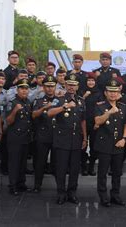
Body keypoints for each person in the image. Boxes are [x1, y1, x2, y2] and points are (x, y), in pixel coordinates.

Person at [47, 73, 87, 205]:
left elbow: (83, 121)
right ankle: (61, 193)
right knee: (61, 168)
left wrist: (85, 138)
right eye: (69, 84)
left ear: (77, 86)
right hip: (62, 139)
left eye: (74, 85)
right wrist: (65, 106)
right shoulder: (58, 99)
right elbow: (49, 113)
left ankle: (72, 193)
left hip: (76, 139)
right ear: (65, 85)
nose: (71, 87)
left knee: (75, 169)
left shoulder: (81, 100)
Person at [93, 79, 126, 207]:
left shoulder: (123, 107)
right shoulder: (100, 106)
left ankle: (115, 195)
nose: (113, 94)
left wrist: (124, 139)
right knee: (102, 173)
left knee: (117, 172)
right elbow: (97, 121)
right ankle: (103, 196)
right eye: (110, 91)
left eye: (115, 91)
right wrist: (109, 112)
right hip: (104, 145)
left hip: (118, 144)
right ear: (105, 92)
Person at [5, 78, 33, 195]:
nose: (24, 91)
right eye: (22, 88)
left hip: (25, 137)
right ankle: (13, 185)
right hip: (15, 138)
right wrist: (15, 111)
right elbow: (8, 121)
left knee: (22, 163)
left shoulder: (28, 102)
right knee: (14, 163)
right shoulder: (12, 103)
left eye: (26, 88)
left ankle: (21, 183)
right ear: (17, 90)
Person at [31, 75, 58, 192]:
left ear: (55, 87)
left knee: (58, 163)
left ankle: (60, 187)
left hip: (57, 135)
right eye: (47, 86)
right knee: (40, 162)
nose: (50, 89)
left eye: (52, 86)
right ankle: (37, 186)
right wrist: (44, 108)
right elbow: (34, 115)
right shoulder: (39, 101)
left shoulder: (61, 100)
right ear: (43, 87)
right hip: (43, 135)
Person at [81, 72, 103, 176]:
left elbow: (101, 109)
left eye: (92, 80)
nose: (90, 82)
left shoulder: (99, 93)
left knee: (94, 147)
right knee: (83, 145)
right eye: (89, 80)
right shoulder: (81, 92)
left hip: (94, 123)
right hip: (83, 123)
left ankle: (91, 167)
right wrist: (84, 96)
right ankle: (84, 167)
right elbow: (78, 105)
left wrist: (97, 123)